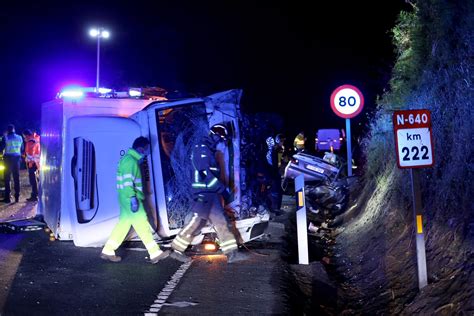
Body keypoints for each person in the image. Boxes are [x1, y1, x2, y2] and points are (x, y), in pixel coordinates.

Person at [169, 124, 249, 264]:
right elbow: (205, 173)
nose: (220, 142)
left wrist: (219, 189)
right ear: (215, 135)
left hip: (210, 193)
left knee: (221, 221)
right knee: (197, 221)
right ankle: (175, 250)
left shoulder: (209, 149)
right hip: (203, 193)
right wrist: (221, 189)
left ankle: (232, 253)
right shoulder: (202, 148)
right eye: (220, 138)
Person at [100, 136, 169, 264]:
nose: (148, 152)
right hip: (131, 198)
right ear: (141, 149)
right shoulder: (130, 161)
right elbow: (127, 183)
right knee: (142, 223)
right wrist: (133, 199)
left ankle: (108, 250)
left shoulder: (128, 159)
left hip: (126, 198)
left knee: (123, 225)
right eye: (147, 149)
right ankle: (155, 252)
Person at [0, 124, 23, 203]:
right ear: (14, 129)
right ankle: (17, 197)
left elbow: (1, 148)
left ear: (8, 130)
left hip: (8, 159)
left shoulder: (5, 137)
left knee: (7, 178)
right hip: (17, 159)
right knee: (16, 178)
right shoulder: (20, 137)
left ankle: (8, 198)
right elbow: (22, 148)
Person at [23, 129, 40, 202]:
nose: (24, 138)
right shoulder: (35, 139)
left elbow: (30, 154)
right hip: (36, 163)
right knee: (36, 179)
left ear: (26, 135)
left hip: (32, 163)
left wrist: (26, 158)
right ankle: (37, 194)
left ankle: (34, 195)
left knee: (33, 180)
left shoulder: (30, 142)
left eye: (24, 136)